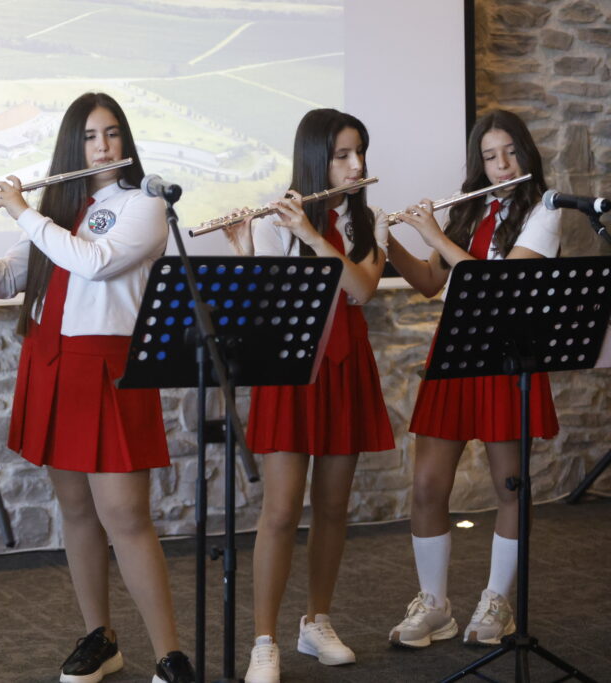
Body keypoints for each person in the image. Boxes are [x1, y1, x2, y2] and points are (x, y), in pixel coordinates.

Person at [0, 92, 196, 683]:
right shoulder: (58, 209)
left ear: (125, 141)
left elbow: (96, 262)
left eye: (111, 134)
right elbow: (5, 280)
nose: (102, 146)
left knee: (126, 517)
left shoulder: (144, 204)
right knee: (77, 512)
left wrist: (24, 213)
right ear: (71, 147)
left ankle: (170, 655)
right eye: (89, 137)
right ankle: (100, 638)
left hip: (107, 366)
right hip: (52, 362)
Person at [223, 109, 393, 683]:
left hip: (346, 367)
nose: (356, 165)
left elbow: (361, 289)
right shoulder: (277, 218)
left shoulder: (371, 222)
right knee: (279, 511)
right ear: (316, 158)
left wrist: (314, 237)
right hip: (290, 369)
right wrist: (246, 252)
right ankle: (264, 640)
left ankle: (316, 621)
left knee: (334, 506)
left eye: (360, 152)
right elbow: (262, 307)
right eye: (343, 155)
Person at [385, 109, 560, 649]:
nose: (502, 165)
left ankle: (498, 602)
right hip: (457, 348)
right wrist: (385, 240)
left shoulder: (545, 211)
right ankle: (434, 606)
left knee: (510, 486)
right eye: (489, 157)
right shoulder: (472, 209)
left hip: (508, 352)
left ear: (526, 154)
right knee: (427, 486)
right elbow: (428, 282)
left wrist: (435, 235)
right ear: (478, 164)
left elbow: (498, 286)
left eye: (510, 152)